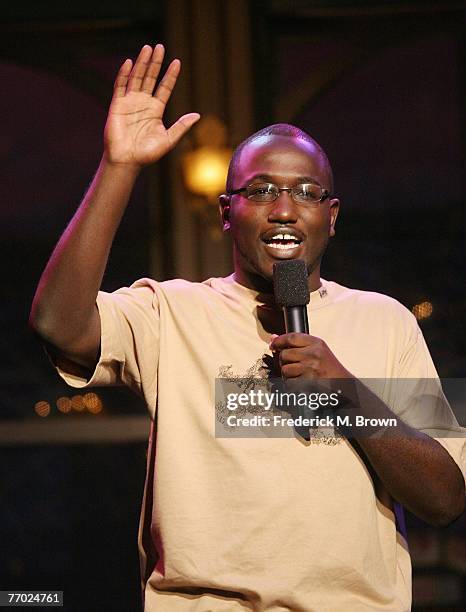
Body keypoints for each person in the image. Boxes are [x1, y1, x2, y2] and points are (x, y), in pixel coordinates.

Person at [30, 44, 465, 611]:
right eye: (260, 190)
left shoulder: (386, 321)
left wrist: (346, 393)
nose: (284, 208)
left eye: (306, 192)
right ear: (225, 212)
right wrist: (121, 166)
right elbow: (57, 322)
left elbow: (445, 496)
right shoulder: (172, 312)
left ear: (331, 217)